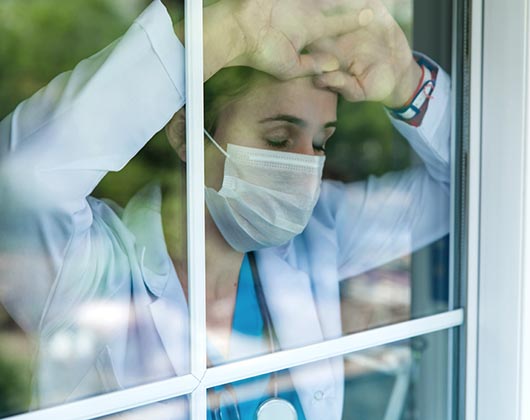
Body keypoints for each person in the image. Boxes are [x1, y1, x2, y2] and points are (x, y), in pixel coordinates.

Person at [0, 0, 450, 418]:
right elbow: (23, 178)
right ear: (185, 133)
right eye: (277, 139)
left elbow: (467, 192)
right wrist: (225, 32)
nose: (305, 168)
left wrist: (411, 86)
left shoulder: (320, 233)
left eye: (320, 143)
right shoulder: (90, 269)